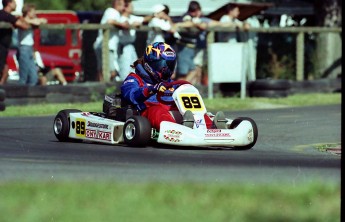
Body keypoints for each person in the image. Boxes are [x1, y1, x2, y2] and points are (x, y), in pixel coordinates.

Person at [93, 0, 129, 82]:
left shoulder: (115, 13)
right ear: (117, 4)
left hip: (105, 46)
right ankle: (103, 89)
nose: (124, 8)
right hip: (107, 46)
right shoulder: (112, 11)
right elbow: (110, 21)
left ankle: (100, 90)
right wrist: (122, 25)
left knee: (102, 71)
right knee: (111, 72)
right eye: (124, 5)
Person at [118, 0, 152, 80]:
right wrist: (132, 24)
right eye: (131, 6)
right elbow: (125, 25)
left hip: (131, 46)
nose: (133, 8)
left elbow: (145, 19)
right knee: (125, 70)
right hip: (124, 46)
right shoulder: (120, 18)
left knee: (135, 68)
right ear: (125, 8)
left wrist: (155, 15)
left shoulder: (132, 17)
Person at [0, 0, 29, 85]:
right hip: (1, 47)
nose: (16, 4)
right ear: (9, 3)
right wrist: (21, 18)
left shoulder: (2, 15)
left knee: (5, 68)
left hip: (3, 47)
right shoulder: (7, 16)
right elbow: (25, 26)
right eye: (14, 2)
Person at [17, 3, 47, 86]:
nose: (35, 13)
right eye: (33, 11)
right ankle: (20, 96)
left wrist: (33, 21)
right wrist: (33, 21)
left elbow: (43, 20)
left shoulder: (29, 21)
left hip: (29, 48)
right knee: (23, 76)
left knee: (33, 77)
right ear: (28, 12)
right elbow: (25, 21)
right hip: (24, 48)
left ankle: (30, 97)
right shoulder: (21, 21)